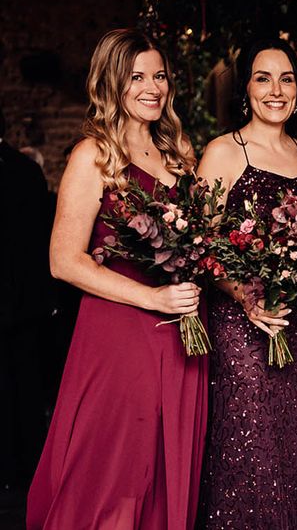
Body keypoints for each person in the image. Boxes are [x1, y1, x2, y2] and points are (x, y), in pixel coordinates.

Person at [26, 29, 207, 529]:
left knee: (167, 465)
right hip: (120, 334)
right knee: (117, 470)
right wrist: (152, 296)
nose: (153, 87)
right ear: (112, 83)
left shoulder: (180, 155)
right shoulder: (94, 156)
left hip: (183, 332)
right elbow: (63, 260)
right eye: (136, 77)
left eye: (160, 75)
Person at [196, 39, 297, 529]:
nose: (276, 90)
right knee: (245, 450)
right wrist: (246, 297)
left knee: (287, 453)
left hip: (293, 328)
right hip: (240, 329)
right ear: (245, 88)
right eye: (263, 77)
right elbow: (203, 245)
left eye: (287, 78)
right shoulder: (223, 152)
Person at [0, 107, 53, 507]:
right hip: (29, 298)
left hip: (17, 295)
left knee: (14, 384)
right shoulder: (27, 171)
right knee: (27, 383)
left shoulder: (23, 171)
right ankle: (30, 465)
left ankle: (10, 466)